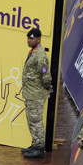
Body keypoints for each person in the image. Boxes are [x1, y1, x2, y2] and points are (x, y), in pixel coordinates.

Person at [22, 28, 52, 158]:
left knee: (36, 120)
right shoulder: (33, 52)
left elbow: (45, 75)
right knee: (31, 119)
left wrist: (46, 87)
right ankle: (35, 144)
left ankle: (39, 148)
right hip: (30, 93)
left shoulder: (40, 55)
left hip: (36, 93)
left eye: (32, 38)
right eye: (28, 38)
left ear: (38, 39)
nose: (29, 40)